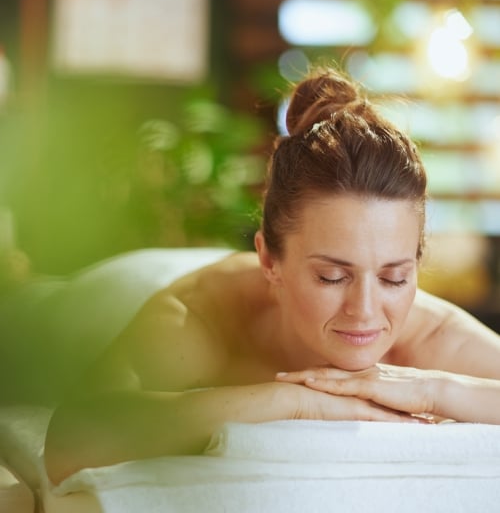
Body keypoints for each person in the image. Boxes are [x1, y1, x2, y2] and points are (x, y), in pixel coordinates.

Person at [44, 67, 500, 485]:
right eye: (331, 277)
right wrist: (297, 401)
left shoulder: (432, 336)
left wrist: (434, 390)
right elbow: (70, 442)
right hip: (113, 288)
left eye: (394, 278)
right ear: (269, 260)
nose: (364, 311)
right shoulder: (206, 313)